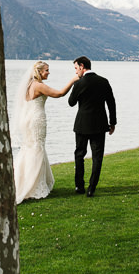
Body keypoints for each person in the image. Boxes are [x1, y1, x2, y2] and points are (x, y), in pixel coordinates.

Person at [12, 60, 78, 204]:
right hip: (37, 119)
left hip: (28, 119)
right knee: (37, 148)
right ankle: (32, 185)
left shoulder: (28, 85)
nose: (48, 72)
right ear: (39, 71)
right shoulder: (38, 85)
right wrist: (73, 80)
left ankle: (25, 182)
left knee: (29, 148)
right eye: (47, 70)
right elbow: (59, 93)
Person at [67, 56, 116, 197]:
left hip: (82, 124)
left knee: (79, 155)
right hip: (100, 125)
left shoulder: (79, 83)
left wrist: (75, 85)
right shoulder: (103, 81)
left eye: (76, 68)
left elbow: (71, 102)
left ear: (82, 66)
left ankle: (79, 186)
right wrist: (112, 123)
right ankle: (91, 188)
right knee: (97, 157)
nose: (76, 72)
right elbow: (111, 103)